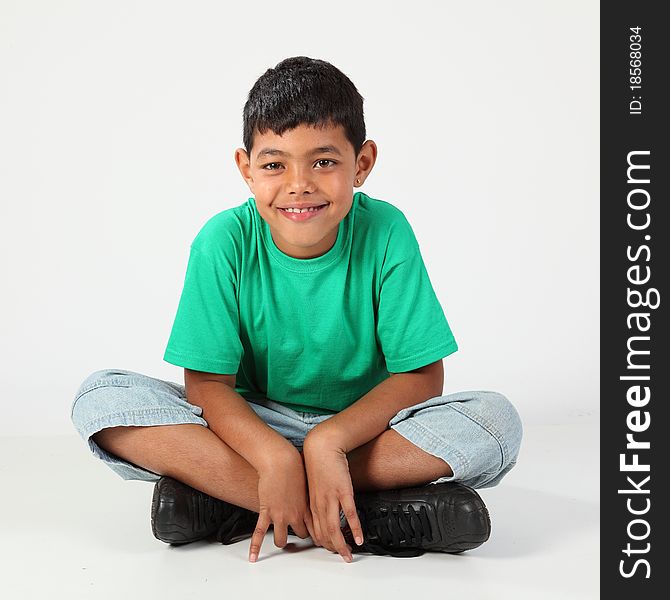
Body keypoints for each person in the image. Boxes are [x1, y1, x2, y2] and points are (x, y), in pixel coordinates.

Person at [71, 56, 523, 563]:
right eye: (274, 164)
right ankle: (353, 512)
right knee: (100, 398)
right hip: (255, 427)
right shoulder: (223, 242)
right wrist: (270, 455)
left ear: (363, 164)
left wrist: (328, 441)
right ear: (246, 169)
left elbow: (420, 376)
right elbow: (208, 387)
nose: (298, 183)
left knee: (495, 421)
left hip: (366, 434)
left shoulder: (387, 231)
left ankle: (240, 502)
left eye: (324, 161)